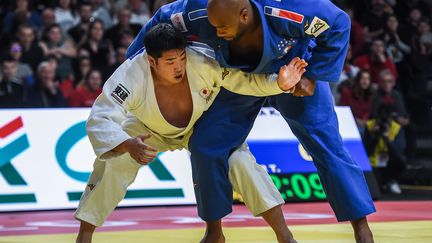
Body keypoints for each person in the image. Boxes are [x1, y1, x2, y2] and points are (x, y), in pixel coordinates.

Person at [127, 0, 376, 242]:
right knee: (205, 145)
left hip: (294, 71)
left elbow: (339, 22)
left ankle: (361, 227)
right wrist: (131, 71)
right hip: (240, 79)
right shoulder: (199, 10)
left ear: (244, 15)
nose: (215, 31)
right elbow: (158, 22)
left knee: (327, 145)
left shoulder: (288, 8)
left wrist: (313, 74)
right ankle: (214, 231)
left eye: (221, 26)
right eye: (213, 25)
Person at [75, 23, 307, 243]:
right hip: (146, 129)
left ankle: (284, 236)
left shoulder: (202, 62)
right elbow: (101, 116)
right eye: (170, 61)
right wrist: (126, 144)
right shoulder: (130, 75)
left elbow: (242, 81)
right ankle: (84, 236)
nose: (179, 66)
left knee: (239, 161)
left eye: (181, 57)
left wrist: (278, 83)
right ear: (151, 61)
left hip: (200, 125)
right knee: (115, 160)